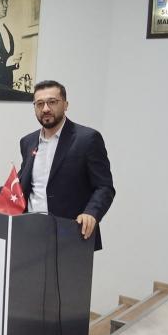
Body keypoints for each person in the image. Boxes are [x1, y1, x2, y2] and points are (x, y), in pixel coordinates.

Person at [17, 80, 115, 250]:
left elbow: (104, 187)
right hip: (31, 234)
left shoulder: (87, 139)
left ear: (65, 104)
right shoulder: (28, 142)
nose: (45, 108)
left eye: (52, 102)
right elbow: (21, 183)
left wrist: (91, 213)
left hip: (71, 235)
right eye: (39, 104)